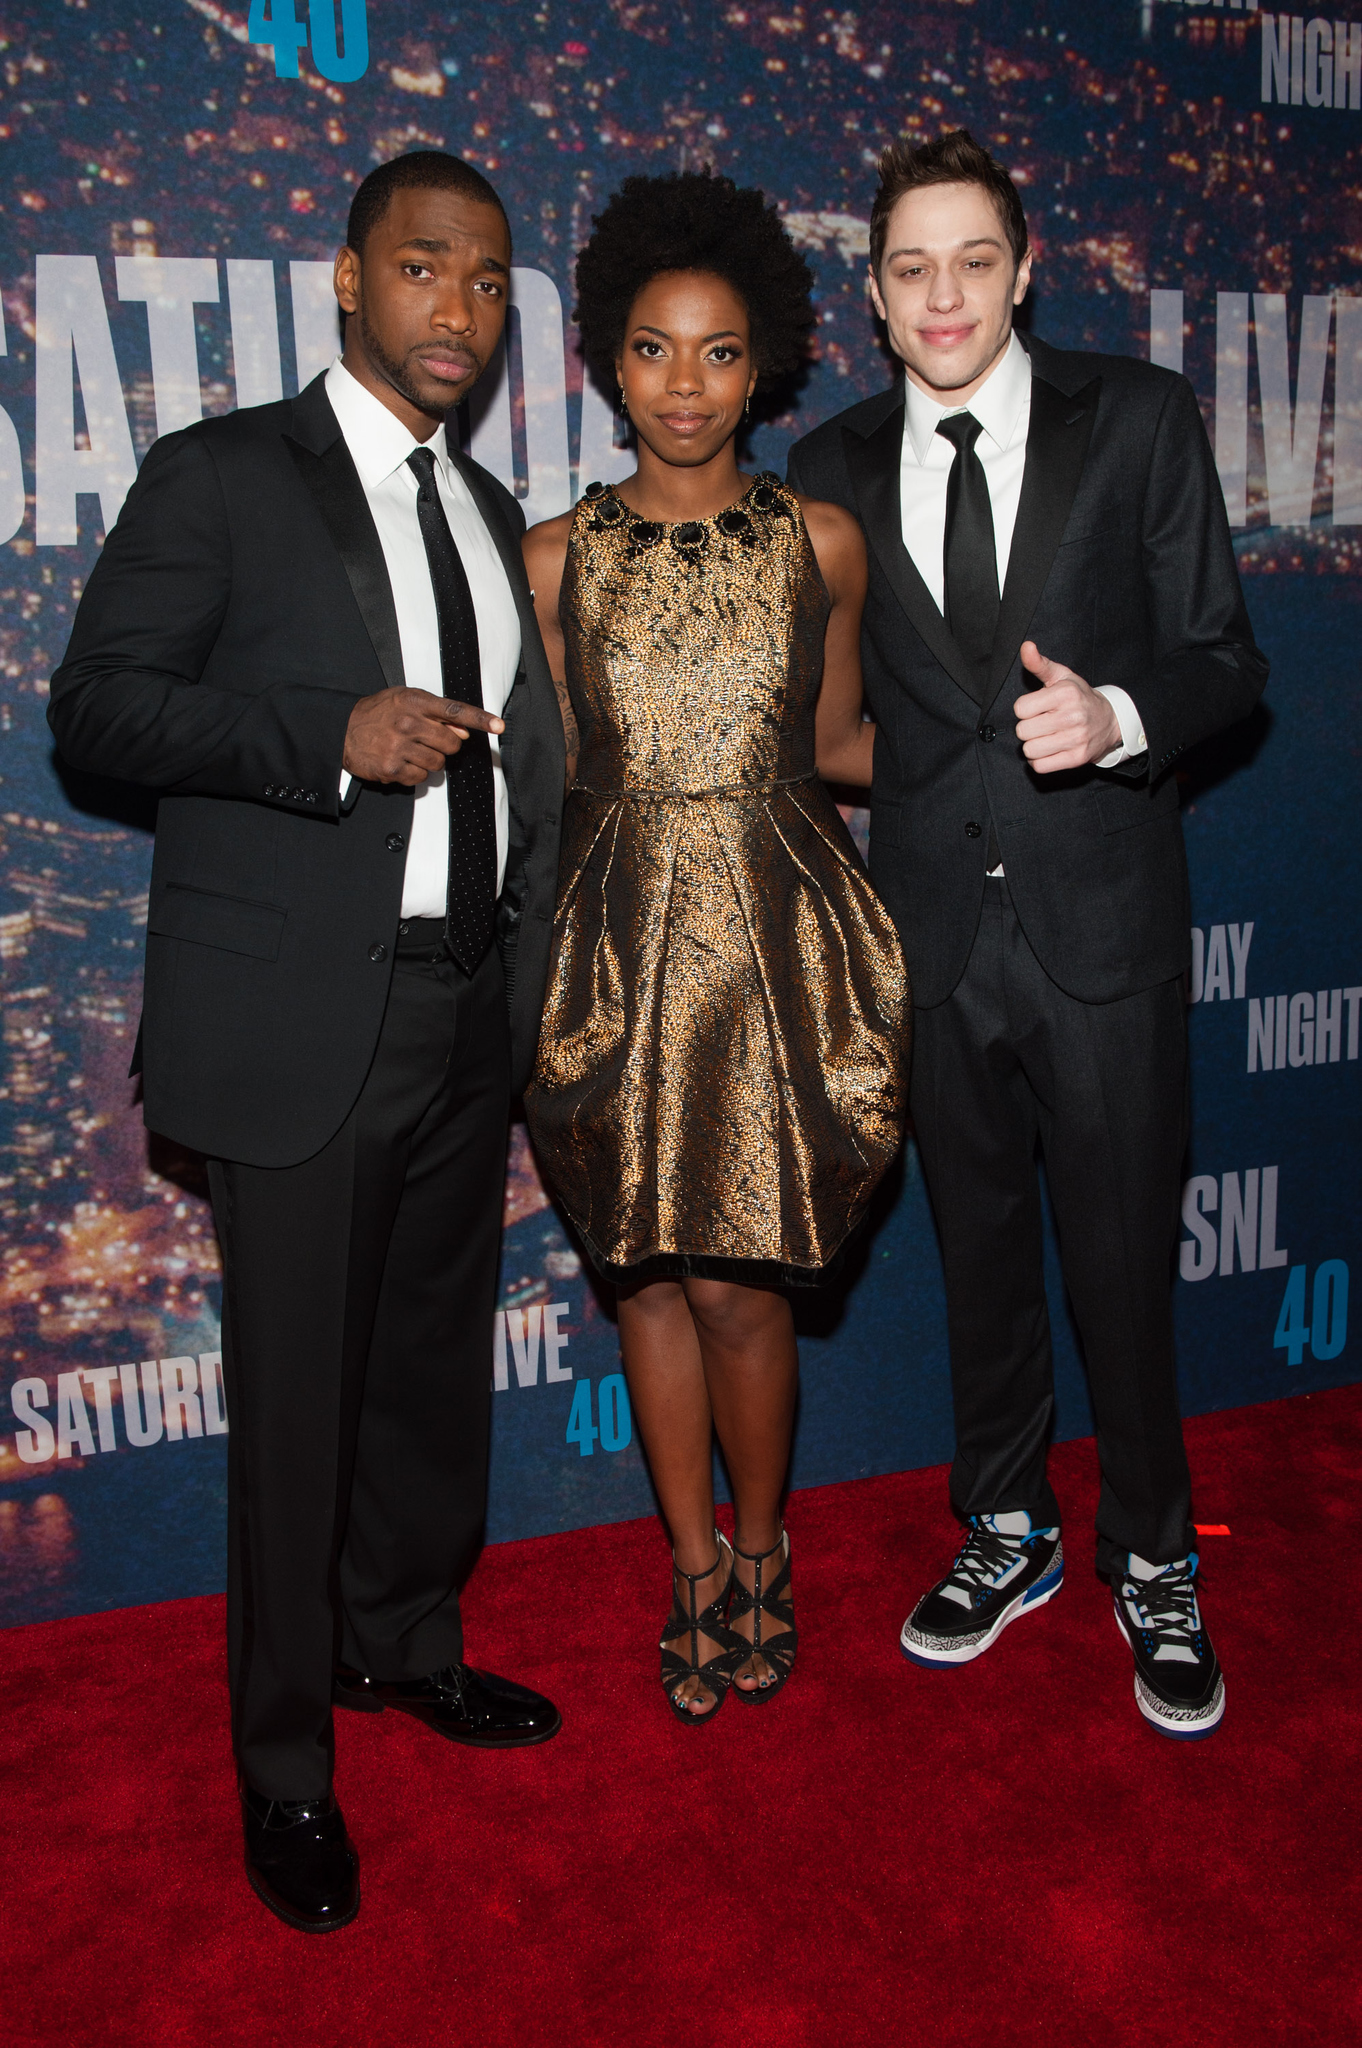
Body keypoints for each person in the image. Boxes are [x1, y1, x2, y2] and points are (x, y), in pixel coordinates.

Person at [48, 151, 566, 1930]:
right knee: (292, 1400)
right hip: (293, 1014)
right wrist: (323, 734)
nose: (459, 309)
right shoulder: (220, 477)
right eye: (426, 270)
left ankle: (402, 1645)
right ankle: (283, 1765)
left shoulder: (494, 510)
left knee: (427, 1365)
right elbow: (95, 705)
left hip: (460, 1003)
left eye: (491, 282)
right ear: (348, 283)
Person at [787, 131, 1267, 1740]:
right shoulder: (830, 465)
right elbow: (827, 717)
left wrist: (1119, 713)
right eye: (909, 268)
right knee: (979, 1259)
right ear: (870, 290)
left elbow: (1222, 659)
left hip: (1103, 924)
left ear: (1023, 266)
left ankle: (1152, 1557)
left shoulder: (1134, 418)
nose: (943, 295)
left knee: (1123, 1264)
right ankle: (1006, 1531)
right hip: (926, 934)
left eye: (971, 261)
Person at [522, 173, 908, 1724]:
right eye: (655, 351)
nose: (686, 385)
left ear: (768, 367)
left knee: (745, 1293)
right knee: (645, 1294)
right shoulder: (552, 559)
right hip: (614, 946)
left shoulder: (822, 540)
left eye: (720, 353)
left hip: (774, 948)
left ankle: (763, 1550)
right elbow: (545, 787)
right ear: (610, 367)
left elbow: (839, 745)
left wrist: (1011, 751)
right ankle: (685, 1565)